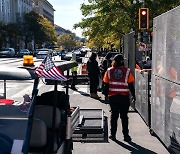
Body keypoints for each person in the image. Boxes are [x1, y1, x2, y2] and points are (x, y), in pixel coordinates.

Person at [103, 54, 136, 142]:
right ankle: (126, 136)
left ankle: (112, 135)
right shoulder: (127, 71)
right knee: (124, 117)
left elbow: (106, 84)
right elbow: (130, 85)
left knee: (114, 116)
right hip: (124, 97)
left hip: (113, 97)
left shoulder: (109, 71)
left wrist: (106, 95)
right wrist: (133, 95)